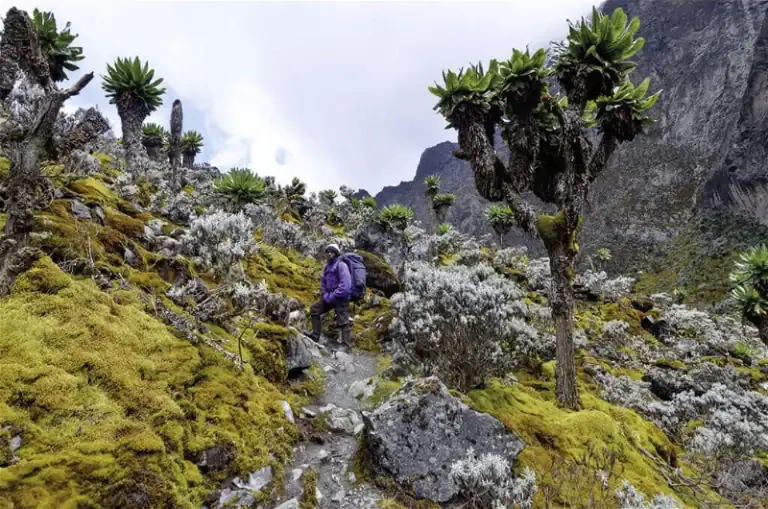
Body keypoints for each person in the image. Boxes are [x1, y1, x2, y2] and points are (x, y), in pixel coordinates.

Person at [309, 243, 352, 347]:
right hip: (328, 297)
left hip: (340, 297)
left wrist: (332, 296)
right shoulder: (327, 267)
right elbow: (323, 282)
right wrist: (325, 295)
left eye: (331, 251)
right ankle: (315, 336)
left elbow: (345, 286)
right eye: (327, 251)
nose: (329, 254)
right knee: (314, 309)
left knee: (343, 319)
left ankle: (346, 345)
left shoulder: (341, 265)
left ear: (336, 253)